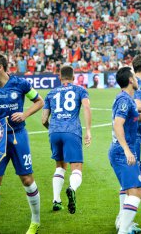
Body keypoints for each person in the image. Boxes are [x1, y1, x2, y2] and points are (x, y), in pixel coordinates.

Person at [0, 53, 44, 234]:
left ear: (0, 67)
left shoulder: (20, 84)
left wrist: (25, 114)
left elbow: (39, 101)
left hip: (18, 135)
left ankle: (35, 222)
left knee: (27, 179)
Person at [109, 67, 141, 234]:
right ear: (131, 80)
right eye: (135, 78)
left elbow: (138, 118)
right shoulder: (124, 99)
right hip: (121, 151)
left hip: (124, 150)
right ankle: (123, 229)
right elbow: (118, 124)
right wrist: (126, 150)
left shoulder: (129, 99)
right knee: (136, 192)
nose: (138, 80)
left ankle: (124, 225)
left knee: (132, 190)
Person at [41, 66, 92, 214]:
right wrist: (88, 130)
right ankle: (72, 188)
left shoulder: (51, 93)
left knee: (59, 166)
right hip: (72, 131)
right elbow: (87, 108)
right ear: (74, 76)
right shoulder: (80, 90)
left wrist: (53, 129)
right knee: (76, 168)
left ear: (59, 77)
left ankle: (56, 200)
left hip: (54, 132)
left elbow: (44, 119)